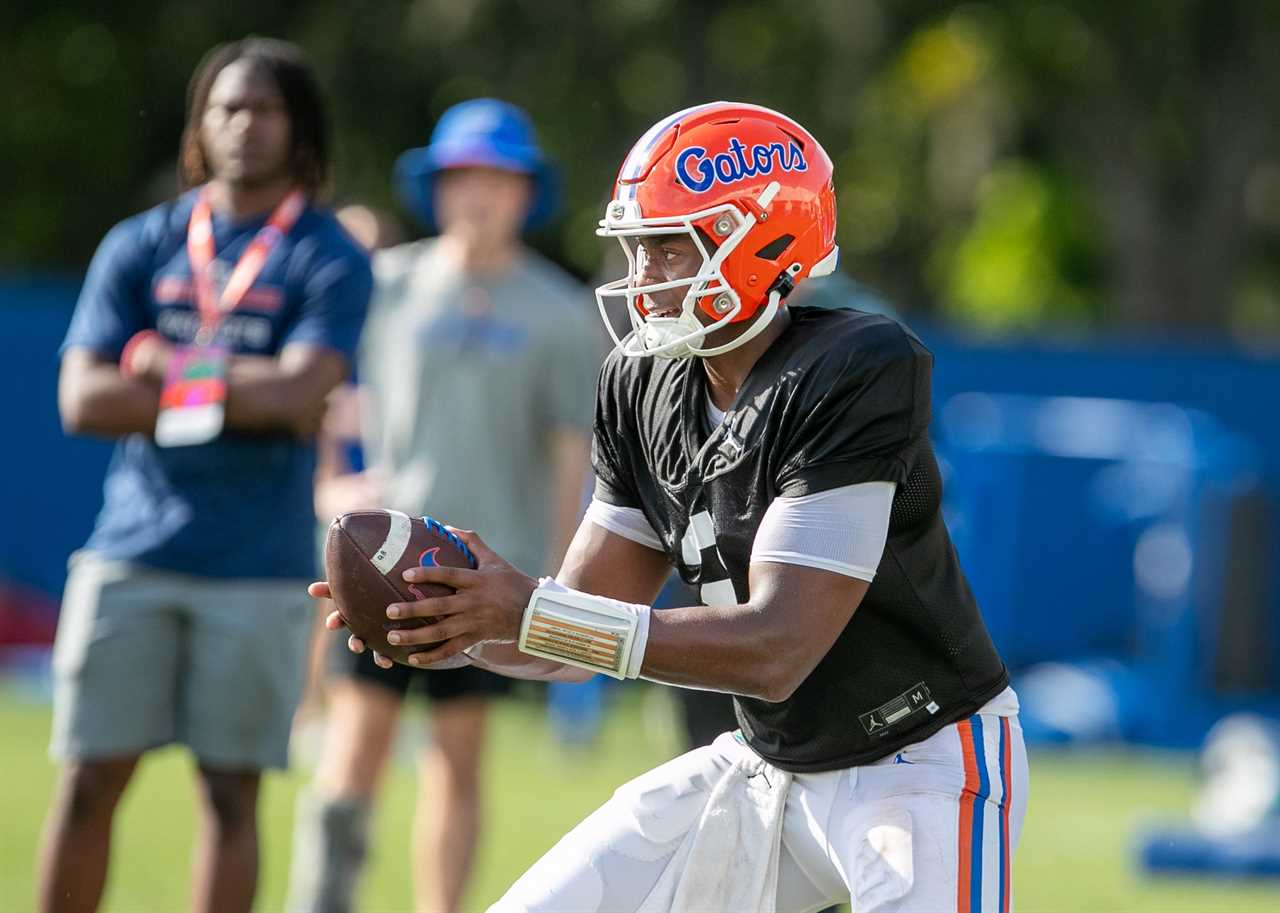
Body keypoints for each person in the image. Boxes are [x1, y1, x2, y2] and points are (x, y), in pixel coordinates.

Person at [318, 101, 1028, 913]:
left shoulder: (857, 366)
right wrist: (462, 625)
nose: (643, 275)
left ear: (763, 238)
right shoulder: (639, 381)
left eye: (668, 246)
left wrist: (531, 610)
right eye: (637, 247)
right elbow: (574, 630)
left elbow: (777, 647)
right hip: (769, 764)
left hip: (918, 760)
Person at [39, 38, 370, 913]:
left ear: (299, 128)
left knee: (230, 796)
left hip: (257, 566)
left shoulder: (328, 254)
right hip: (132, 551)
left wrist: (158, 362)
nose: (245, 125)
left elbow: (305, 389)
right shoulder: (141, 242)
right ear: (200, 122)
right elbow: (82, 400)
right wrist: (239, 389)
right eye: (227, 106)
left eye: (266, 108)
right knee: (86, 782)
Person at [286, 99, 600, 913]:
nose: (478, 194)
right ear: (438, 187)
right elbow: (320, 381)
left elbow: (573, 458)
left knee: (457, 760)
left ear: (526, 192)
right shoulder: (387, 285)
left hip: (485, 572)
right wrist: (329, 481)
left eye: (497, 177)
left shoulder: (562, 314)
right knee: (353, 748)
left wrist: (563, 584)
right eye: (462, 177)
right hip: (380, 561)